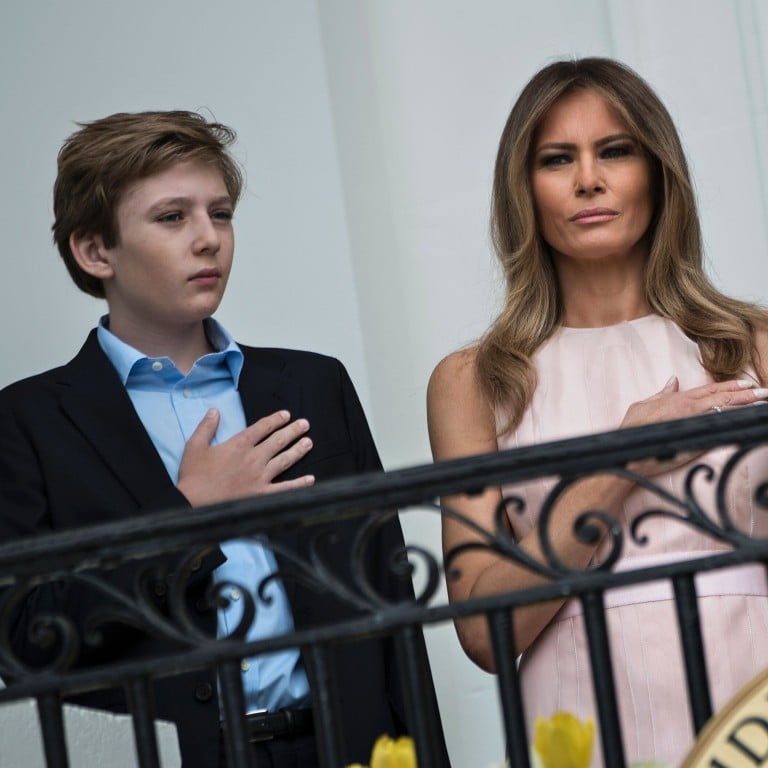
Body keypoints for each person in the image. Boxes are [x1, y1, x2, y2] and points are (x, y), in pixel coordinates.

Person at [0, 111, 448, 768]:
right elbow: (22, 644)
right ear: (95, 251)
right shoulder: (27, 423)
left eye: (222, 213)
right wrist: (186, 517)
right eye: (172, 217)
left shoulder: (313, 385)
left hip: (340, 748)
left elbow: (390, 607)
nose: (209, 239)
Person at [427, 57, 768, 766]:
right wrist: (620, 460)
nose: (589, 179)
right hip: (579, 717)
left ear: (657, 172)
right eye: (558, 159)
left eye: (615, 150)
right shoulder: (474, 381)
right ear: (525, 191)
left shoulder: (753, 343)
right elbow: (486, 636)